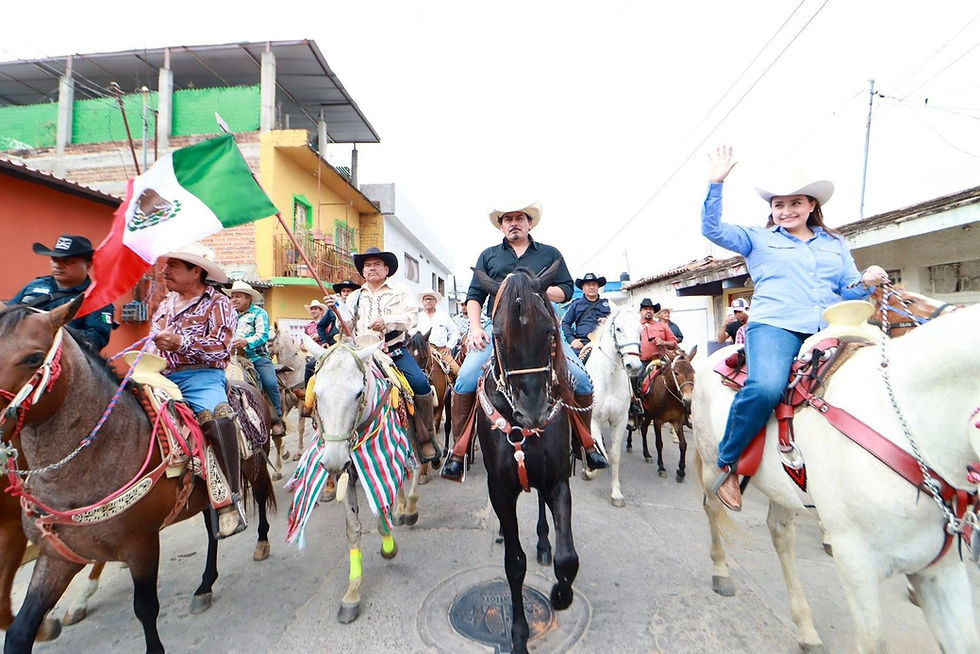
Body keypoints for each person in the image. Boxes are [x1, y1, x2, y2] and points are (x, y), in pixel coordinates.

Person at [703, 145, 888, 512]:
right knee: (766, 386)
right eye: (778, 205)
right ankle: (730, 464)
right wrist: (716, 183)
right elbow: (712, 229)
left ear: (811, 206)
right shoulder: (757, 237)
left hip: (831, 326)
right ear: (771, 210)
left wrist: (866, 279)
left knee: (879, 374)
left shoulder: (834, 243)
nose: (786, 211)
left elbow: (848, 287)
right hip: (776, 326)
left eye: (795, 203)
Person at [441, 201, 608, 482]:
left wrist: (531, 288)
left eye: (519, 218)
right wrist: (474, 329)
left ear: (529, 223)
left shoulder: (549, 253)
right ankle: (459, 451)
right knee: (465, 380)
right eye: (507, 219)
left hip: (543, 333)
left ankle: (585, 444)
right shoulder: (489, 256)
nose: (513, 223)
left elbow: (566, 291)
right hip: (500, 333)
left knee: (582, 379)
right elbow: (474, 296)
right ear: (501, 225)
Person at [147, 242, 246, 538]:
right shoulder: (164, 304)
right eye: (167, 265)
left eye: (174, 266)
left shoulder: (218, 303)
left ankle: (229, 498)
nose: (165, 271)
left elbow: (220, 349)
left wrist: (179, 343)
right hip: (159, 373)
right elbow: (151, 339)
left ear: (196, 272)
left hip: (201, 377)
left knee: (219, 418)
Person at [326, 248, 441, 465]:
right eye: (367, 265)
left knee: (421, 384)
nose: (371, 268)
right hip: (361, 355)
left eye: (376, 264)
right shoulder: (354, 296)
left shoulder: (401, 291)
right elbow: (348, 325)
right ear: (362, 270)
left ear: (386, 269)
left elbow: (411, 318)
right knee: (326, 383)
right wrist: (337, 312)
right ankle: (328, 441)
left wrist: (386, 321)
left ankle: (426, 438)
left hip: (393, 352)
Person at [8, 234, 114, 351]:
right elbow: (8, 315)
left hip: (61, 360)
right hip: (16, 353)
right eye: (55, 260)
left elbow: (95, 340)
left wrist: (48, 332)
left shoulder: (97, 299)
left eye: (68, 261)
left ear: (88, 264)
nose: (58, 265)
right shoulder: (34, 286)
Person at [229, 280, 285, 437]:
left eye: (238, 296)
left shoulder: (260, 313)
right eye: (232, 297)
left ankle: (277, 419)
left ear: (248, 298)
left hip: (256, 357)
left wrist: (246, 341)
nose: (234, 300)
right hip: (230, 358)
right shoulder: (228, 314)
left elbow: (262, 335)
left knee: (270, 383)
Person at [630, 298, 678, 416]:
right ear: (641, 311)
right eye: (645, 309)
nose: (648, 311)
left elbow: (674, 343)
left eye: (650, 309)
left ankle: (683, 408)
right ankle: (635, 406)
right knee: (633, 381)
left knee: (679, 376)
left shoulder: (662, 326)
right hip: (641, 361)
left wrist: (664, 342)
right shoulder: (633, 325)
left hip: (661, 360)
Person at [561, 272, 611, 355]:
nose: (591, 287)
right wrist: (572, 340)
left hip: (604, 343)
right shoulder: (576, 304)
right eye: (588, 284)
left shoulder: (608, 304)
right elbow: (565, 323)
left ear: (598, 287)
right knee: (570, 364)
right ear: (583, 288)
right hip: (582, 344)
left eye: (594, 284)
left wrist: (608, 321)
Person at [415, 288, 461, 376]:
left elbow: (455, 332)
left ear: (435, 302)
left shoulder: (443, 316)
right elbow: (410, 334)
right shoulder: (417, 317)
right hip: (423, 351)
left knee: (457, 371)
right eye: (425, 299)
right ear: (422, 302)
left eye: (430, 299)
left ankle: (453, 389)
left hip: (441, 351)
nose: (428, 301)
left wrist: (449, 347)